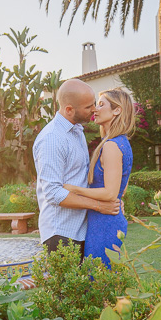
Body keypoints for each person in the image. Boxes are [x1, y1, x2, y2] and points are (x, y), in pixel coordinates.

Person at [33, 79, 120, 257]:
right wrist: (98, 206)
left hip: (81, 230)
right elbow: (53, 193)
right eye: (89, 107)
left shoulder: (76, 130)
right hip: (61, 234)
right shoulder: (52, 139)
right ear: (69, 110)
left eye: (95, 103)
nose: (95, 109)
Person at [63, 88, 134, 268]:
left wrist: (74, 189)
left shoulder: (111, 146)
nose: (95, 109)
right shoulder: (121, 143)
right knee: (101, 282)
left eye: (101, 104)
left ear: (117, 110)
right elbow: (121, 189)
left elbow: (111, 193)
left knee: (98, 281)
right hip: (104, 220)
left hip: (104, 224)